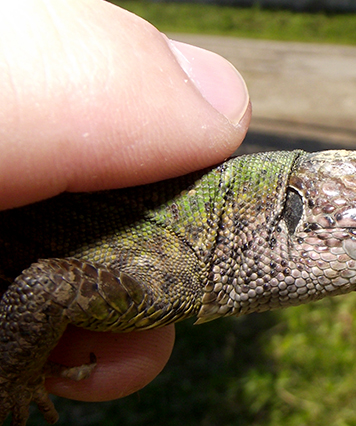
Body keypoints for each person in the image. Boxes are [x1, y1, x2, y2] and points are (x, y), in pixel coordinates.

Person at [0, 0, 251, 403]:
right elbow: (46, 287)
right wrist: (11, 379)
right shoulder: (173, 278)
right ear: (294, 204)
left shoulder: (179, 269)